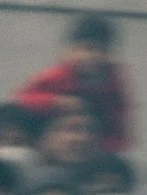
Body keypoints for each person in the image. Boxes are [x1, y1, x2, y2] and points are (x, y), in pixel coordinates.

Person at [12, 13, 131, 153]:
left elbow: (120, 125)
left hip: (96, 149)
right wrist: (56, 102)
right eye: (87, 48)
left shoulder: (114, 81)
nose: (93, 56)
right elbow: (21, 100)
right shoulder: (58, 75)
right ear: (69, 51)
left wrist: (104, 151)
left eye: (101, 50)